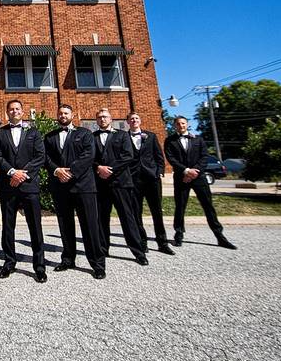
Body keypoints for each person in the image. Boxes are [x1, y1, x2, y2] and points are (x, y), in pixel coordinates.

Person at [44, 104, 106, 279]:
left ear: (73, 115)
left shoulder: (85, 134)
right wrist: (57, 171)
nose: (63, 116)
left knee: (90, 225)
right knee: (65, 225)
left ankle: (97, 263)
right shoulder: (50, 137)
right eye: (60, 113)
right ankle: (68, 259)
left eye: (66, 113)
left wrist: (70, 172)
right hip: (60, 187)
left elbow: (88, 155)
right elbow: (45, 157)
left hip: (84, 187)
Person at [0, 99, 47, 283]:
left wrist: (23, 174)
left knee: (35, 226)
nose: (14, 111)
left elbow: (40, 156)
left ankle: (39, 266)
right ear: (7, 112)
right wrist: (12, 172)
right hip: (9, 186)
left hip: (29, 186)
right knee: (8, 227)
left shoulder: (33, 132)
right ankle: (9, 262)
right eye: (11, 109)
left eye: (17, 109)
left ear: (22, 112)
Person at [164, 116, 237, 249]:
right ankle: (178, 234)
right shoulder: (170, 141)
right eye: (178, 124)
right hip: (181, 178)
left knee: (208, 206)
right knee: (180, 206)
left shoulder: (198, 139)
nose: (181, 125)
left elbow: (204, 157)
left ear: (187, 124)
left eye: (183, 123)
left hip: (199, 177)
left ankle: (219, 236)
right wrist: (186, 171)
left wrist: (194, 172)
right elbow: (171, 158)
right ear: (175, 126)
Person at [92, 108, 148, 266]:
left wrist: (109, 169)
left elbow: (127, 156)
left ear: (111, 119)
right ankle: (103, 249)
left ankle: (138, 252)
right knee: (102, 219)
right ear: (96, 121)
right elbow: (90, 157)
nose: (102, 119)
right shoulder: (92, 137)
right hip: (101, 184)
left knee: (127, 218)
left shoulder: (122, 135)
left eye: (105, 117)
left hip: (121, 183)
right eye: (99, 117)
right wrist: (98, 168)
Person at [127, 112, 175, 255]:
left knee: (157, 211)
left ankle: (162, 242)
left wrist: (159, 172)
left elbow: (159, 156)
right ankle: (142, 242)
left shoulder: (151, 136)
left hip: (152, 179)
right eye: (131, 119)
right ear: (127, 122)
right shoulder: (123, 137)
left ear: (140, 121)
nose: (134, 120)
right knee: (136, 212)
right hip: (134, 180)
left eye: (136, 118)